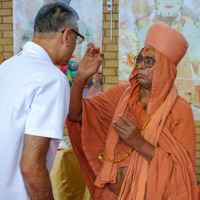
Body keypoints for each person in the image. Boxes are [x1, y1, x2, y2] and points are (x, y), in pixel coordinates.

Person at [67, 23, 200, 199]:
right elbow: (75, 114)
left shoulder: (180, 109)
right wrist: (81, 78)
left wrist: (138, 142)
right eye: (140, 59)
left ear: (165, 68)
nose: (141, 66)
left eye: (149, 61)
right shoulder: (122, 95)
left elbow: (181, 172)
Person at [0, 2, 103, 200]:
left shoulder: (7, 67)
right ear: (67, 36)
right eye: (77, 38)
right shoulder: (51, 78)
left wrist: (80, 77)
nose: (75, 46)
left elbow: (72, 113)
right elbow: (31, 167)